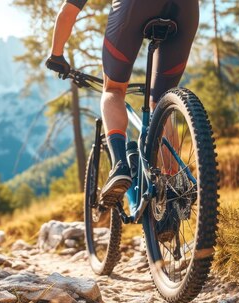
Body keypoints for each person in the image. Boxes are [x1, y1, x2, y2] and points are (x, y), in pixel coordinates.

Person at [46, 0, 199, 208]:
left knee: (114, 90)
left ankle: (120, 166)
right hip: (187, 9)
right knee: (161, 103)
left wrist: (56, 55)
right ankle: (172, 187)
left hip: (135, 7)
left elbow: (67, 13)